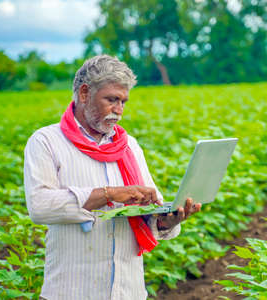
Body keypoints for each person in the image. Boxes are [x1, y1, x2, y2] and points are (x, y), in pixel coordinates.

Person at [24, 54, 201, 300]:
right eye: (111, 100)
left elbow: (147, 212)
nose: (118, 111)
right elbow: (40, 206)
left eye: (123, 102)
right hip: (71, 291)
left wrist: (167, 221)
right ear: (84, 93)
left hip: (127, 290)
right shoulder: (47, 142)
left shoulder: (129, 146)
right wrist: (110, 194)